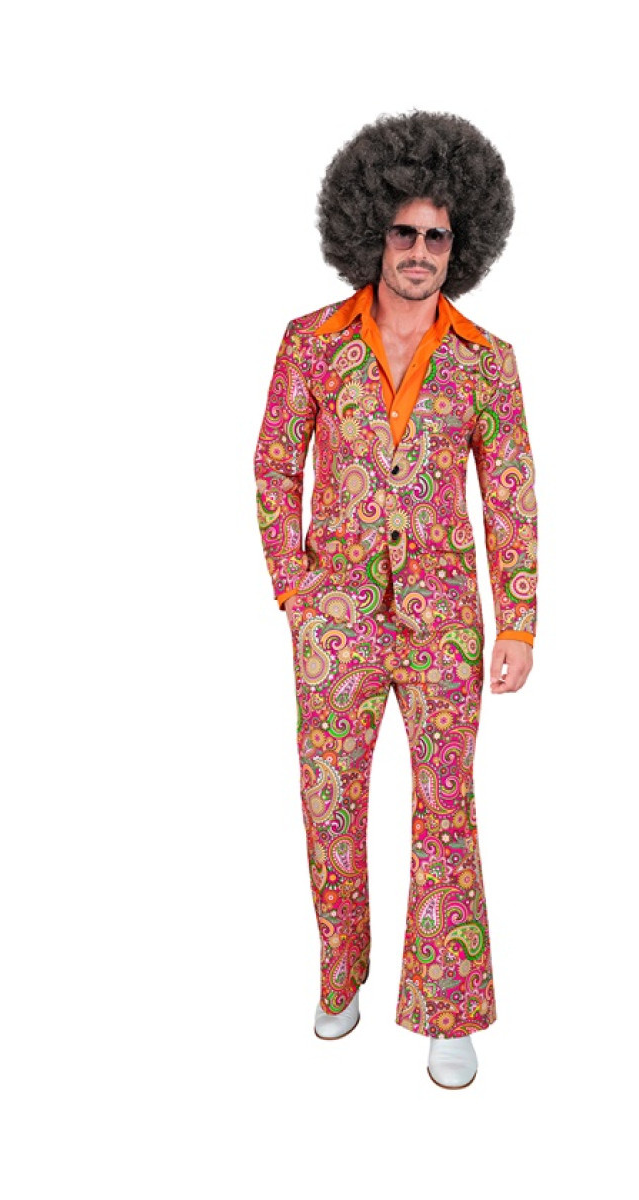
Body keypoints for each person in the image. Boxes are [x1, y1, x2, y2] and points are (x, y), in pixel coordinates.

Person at [253, 111, 538, 1090]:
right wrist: (295, 588)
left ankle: (448, 1013)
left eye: (438, 237)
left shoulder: (486, 361)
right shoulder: (310, 343)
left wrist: (518, 620)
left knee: (446, 809)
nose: (420, 252)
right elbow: (272, 465)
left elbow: (510, 496)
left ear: (463, 245)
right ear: (370, 232)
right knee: (329, 801)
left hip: (444, 624)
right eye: (404, 232)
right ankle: (342, 973)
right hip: (332, 621)